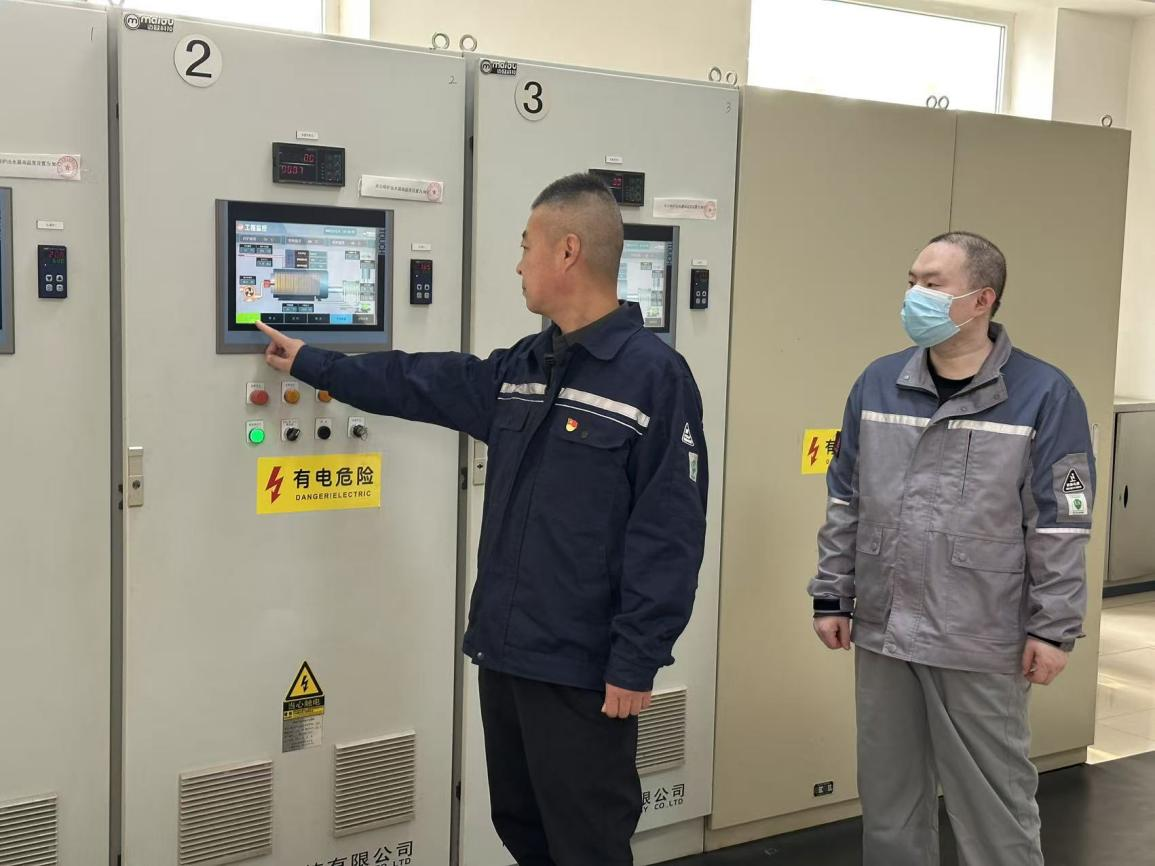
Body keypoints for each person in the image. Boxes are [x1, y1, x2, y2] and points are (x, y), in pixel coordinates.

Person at [258, 173, 708, 866]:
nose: (518, 264)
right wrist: (315, 363)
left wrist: (636, 659)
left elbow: (669, 533)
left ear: (566, 251)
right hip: (507, 651)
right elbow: (422, 381)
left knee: (586, 842)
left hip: (584, 668)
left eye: (526, 246)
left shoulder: (654, 377)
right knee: (522, 827)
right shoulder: (527, 365)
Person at [809, 232, 1094, 866]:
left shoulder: (1046, 395)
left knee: (994, 809)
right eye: (912, 280)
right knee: (889, 804)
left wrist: (1053, 628)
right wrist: (832, 593)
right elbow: (845, 499)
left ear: (981, 299)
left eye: (933, 284)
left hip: (979, 636)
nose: (915, 294)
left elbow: (1063, 523)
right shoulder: (878, 383)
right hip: (884, 629)